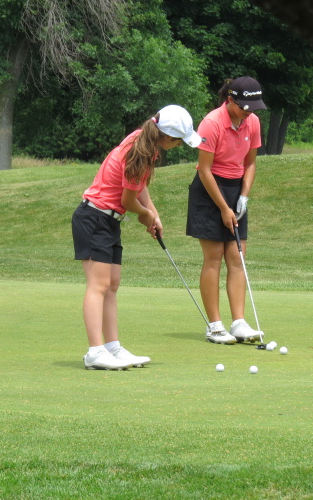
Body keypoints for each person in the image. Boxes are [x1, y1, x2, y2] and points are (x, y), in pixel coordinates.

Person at [73, 105, 202, 369]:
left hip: (108, 221)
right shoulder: (138, 153)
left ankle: (112, 348)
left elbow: (138, 187)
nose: (179, 145)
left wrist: (154, 214)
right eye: (179, 140)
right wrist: (144, 214)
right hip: (94, 218)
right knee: (98, 285)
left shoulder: (144, 142)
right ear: (167, 136)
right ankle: (95, 351)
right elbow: (128, 200)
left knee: (112, 285)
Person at [186, 76, 267, 345]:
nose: (249, 112)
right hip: (210, 189)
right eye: (244, 107)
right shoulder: (211, 123)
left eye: (253, 107)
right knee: (214, 257)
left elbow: (250, 163)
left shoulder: (252, 121)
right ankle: (215, 326)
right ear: (230, 100)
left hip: (235, 188)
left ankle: (239, 322)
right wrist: (223, 207)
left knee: (237, 257)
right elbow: (205, 169)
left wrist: (243, 196)